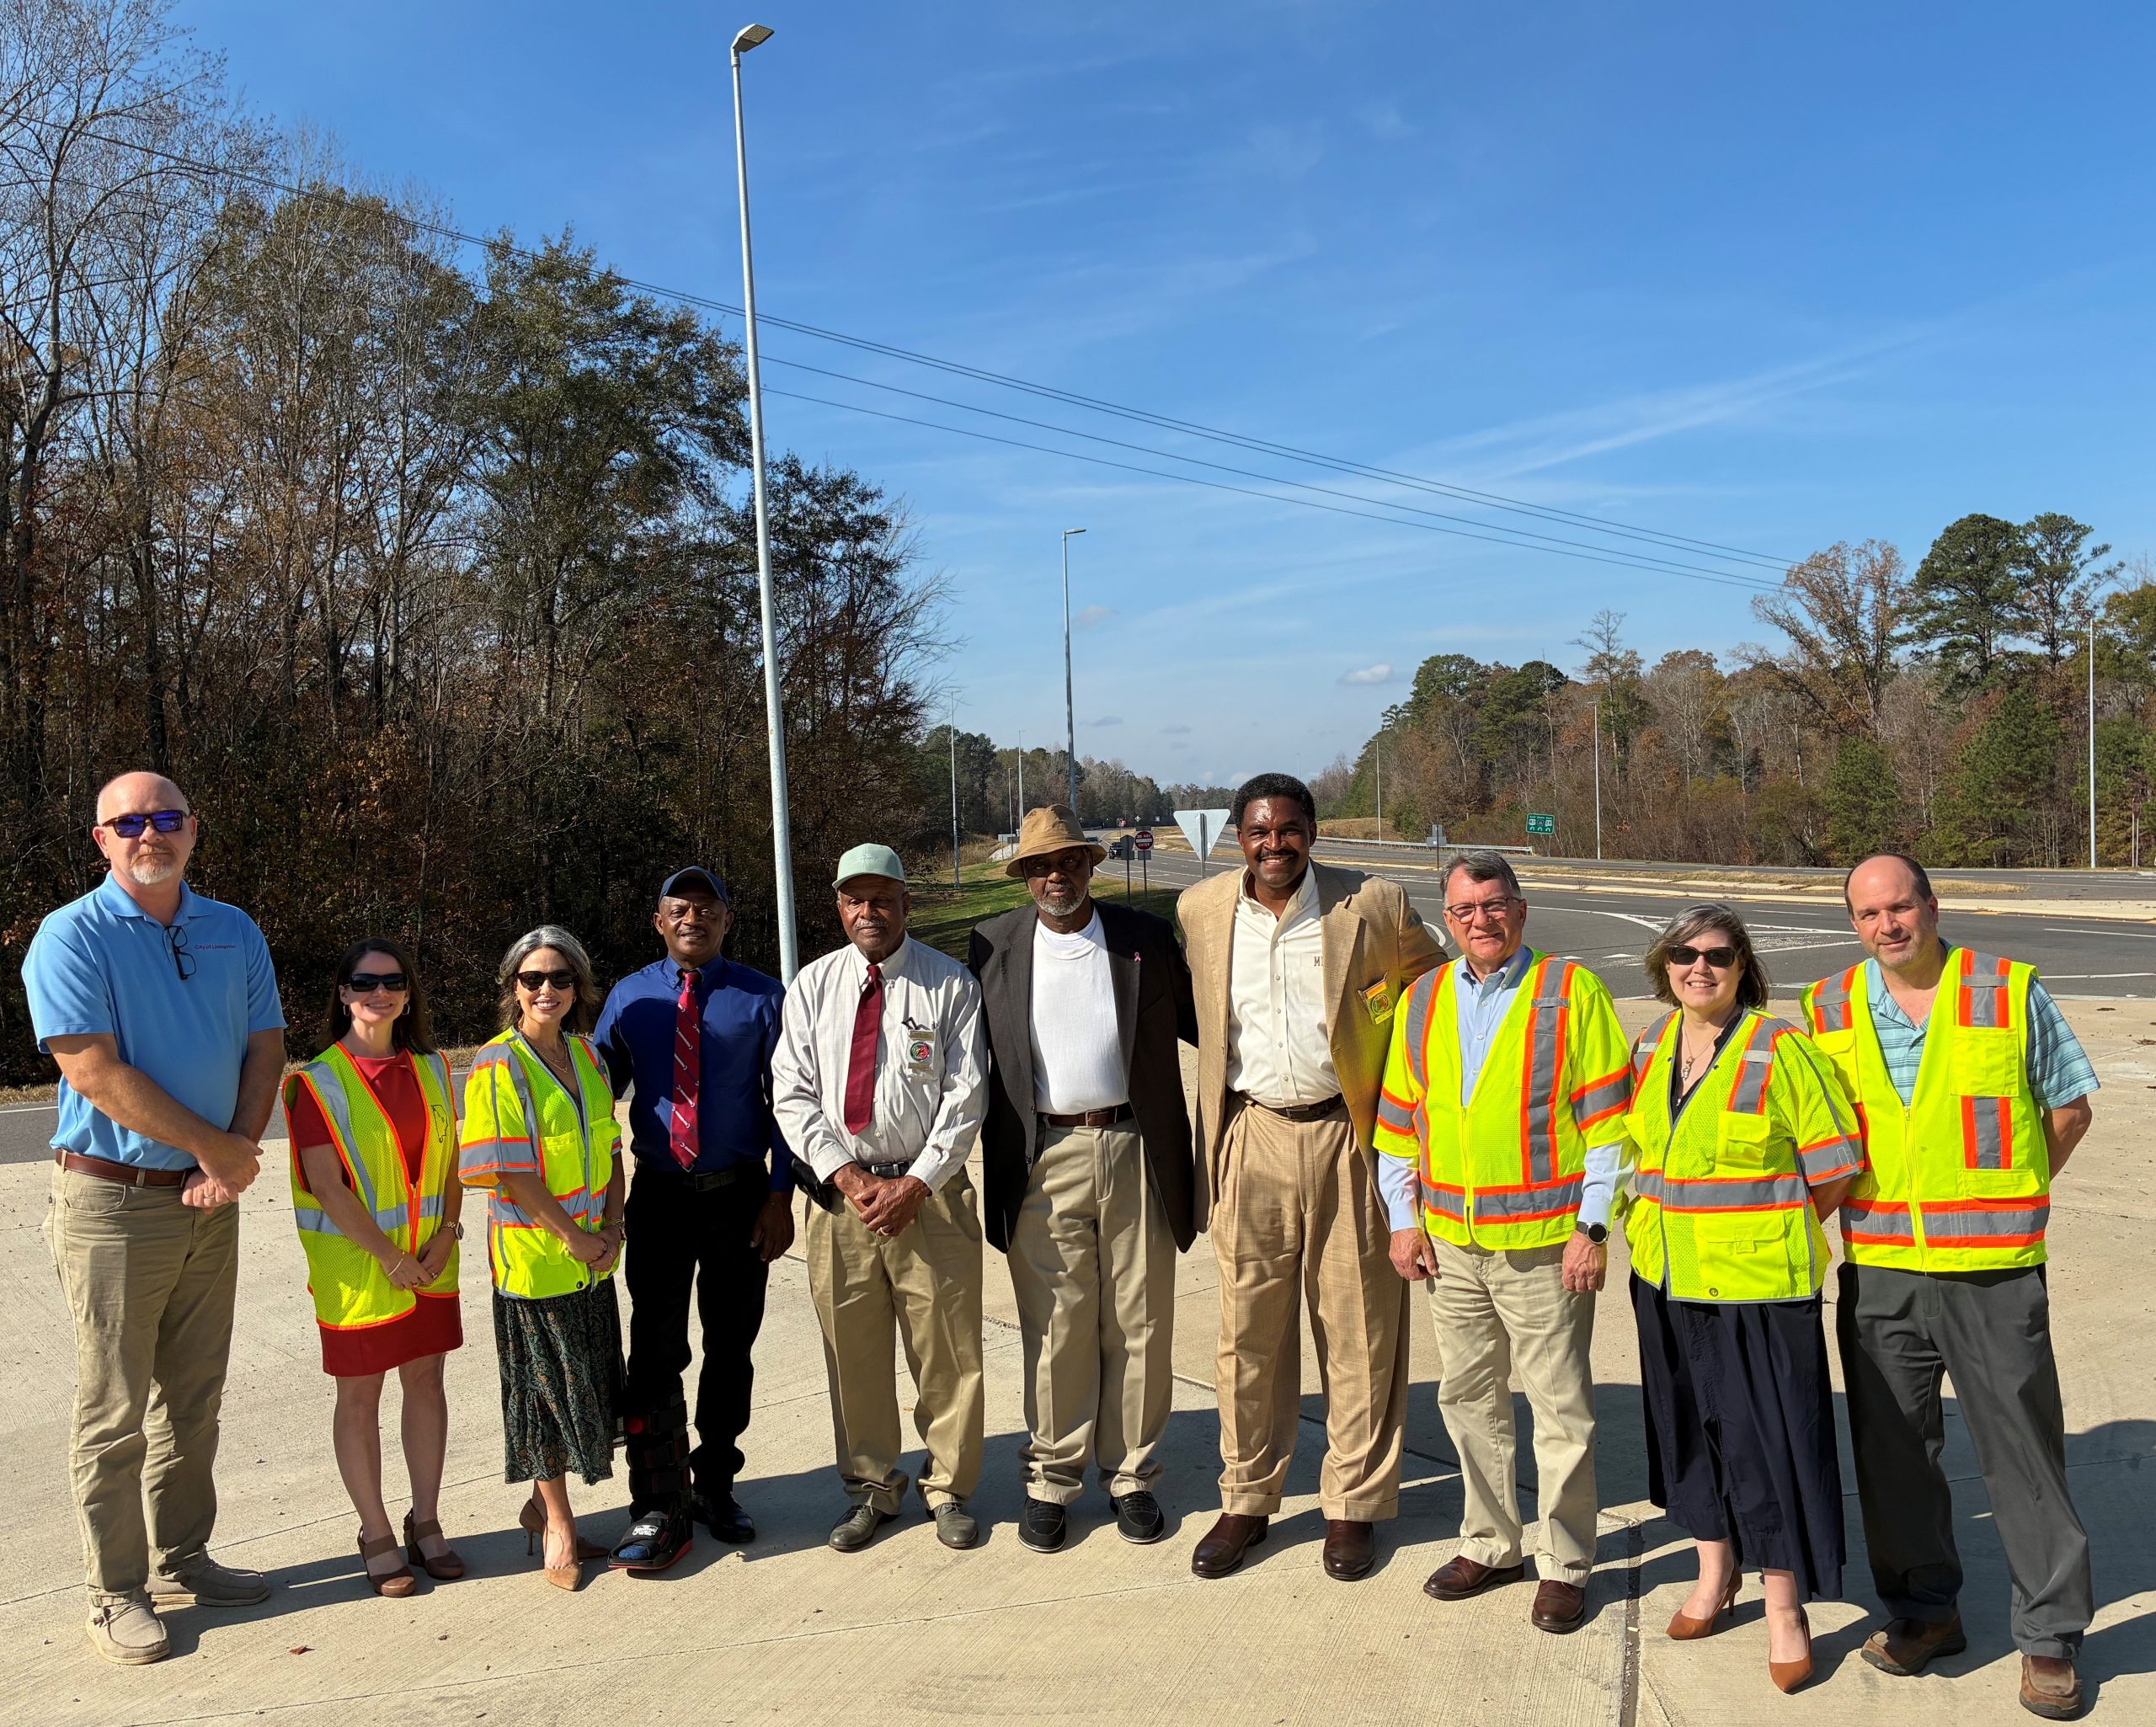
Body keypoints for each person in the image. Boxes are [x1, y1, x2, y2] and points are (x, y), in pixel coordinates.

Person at [1804, 853, 2098, 1722]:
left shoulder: (2005, 989)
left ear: (1930, 906)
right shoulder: (1823, 1008)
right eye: (1868, 912)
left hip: (1992, 1268)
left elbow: (2069, 1106)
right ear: (1853, 923)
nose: (1887, 923)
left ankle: (2047, 1636)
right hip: (1881, 1268)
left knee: (2023, 1455)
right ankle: (1925, 1610)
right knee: (1894, 1456)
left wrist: (2012, 1190)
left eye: (1900, 906)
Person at [24, 771, 284, 1665]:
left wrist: (236, 1153)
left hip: (213, 1197)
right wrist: (217, 1147)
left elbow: (265, 1045)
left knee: (195, 1398)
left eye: (165, 817)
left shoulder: (233, 930)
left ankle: (185, 1554)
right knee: (114, 1406)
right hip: (113, 1201)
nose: (150, 833)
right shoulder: (72, 934)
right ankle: (114, 1589)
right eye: (128, 821)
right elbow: (93, 1068)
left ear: (192, 829)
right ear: (100, 838)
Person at [1178, 773, 1444, 1582]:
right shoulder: (1201, 910)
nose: (1274, 845)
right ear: (1237, 836)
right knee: (1246, 1335)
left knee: (1361, 1329)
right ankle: (1248, 1497)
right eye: (1258, 831)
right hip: (1251, 1133)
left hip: (1346, 1136)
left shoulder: (1371, 906)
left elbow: (1436, 993)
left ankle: (1354, 1505)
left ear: (1313, 831)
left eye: (1288, 829)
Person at [1373, 849, 1632, 1634]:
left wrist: (1592, 1228)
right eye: (1463, 909)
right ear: (1445, 920)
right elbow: (1397, 1126)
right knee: (1469, 1399)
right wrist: (1402, 1219)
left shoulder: (1569, 991)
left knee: (1560, 1408)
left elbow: (1610, 1128)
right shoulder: (1422, 997)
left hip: (1546, 1246)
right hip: (1451, 1246)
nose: (1480, 920)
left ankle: (1564, 1561)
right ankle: (1490, 1543)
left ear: (1519, 909)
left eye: (1494, 905)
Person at [1620, 905, 1864, 1692]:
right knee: (1688, 1431)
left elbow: (1835, 1166)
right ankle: (1714, 1571)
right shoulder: (1653, 1045)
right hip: (1664, 1276)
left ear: (1742, 966)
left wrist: (1762, 1233)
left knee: (1771, 1445)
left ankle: (1785, 1605)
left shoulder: (1779, 1048)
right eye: (1685, 954)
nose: (1701, 967)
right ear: (1665, 965)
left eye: (1718, 955)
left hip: (1757, 1288)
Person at [968, 805, 1198, 1552]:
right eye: (1039, 866)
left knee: (1139, 1320)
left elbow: (1216, 1023)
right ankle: (1052, 1478)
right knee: (1057, 1325)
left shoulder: (1143, 940)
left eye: (1066, 861)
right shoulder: (992, 947)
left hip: (1135, 1146)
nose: (1054, 876)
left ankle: (1132, 1475)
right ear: (1025, 877)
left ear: (1090, 866)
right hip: (1043, 1152)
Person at [770, 844, 990, 1554]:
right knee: (853, 1353)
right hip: (843, 1204)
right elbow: (792, 1091)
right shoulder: (811, 986)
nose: (870, 911)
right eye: (855, 899)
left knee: (948, 1352)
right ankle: (871, 1487)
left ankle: (949, 1488)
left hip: (932, 1196)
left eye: (883, 898)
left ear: (905, 902)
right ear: (839, 906)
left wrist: (916, 1180)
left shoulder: (949, 984)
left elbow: (966, 1094)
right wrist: (846, 1175)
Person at [592, 866, 792, 1573]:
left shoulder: (763, 997)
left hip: (740, 1195)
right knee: (654, 1349)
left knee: (731, 1346)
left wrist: (779, 1195)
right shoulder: (629, 996)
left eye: (706, 910)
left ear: (727, 922)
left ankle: (716, 1483)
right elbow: (588, 1097)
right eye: (679, 908)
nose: (692, 919)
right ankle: (656, 1494)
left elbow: (790, 1106)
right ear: (658, 920)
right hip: (662, 1195)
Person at [283, 940, 466, 1596]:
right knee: (360, 1399)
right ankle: (375, 1530)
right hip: (362, 1272)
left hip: (430, 1263)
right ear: (342, 993)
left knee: (427, 1382)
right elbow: (328, 1186)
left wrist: (447, 1233)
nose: (377, 992)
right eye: (363, 982)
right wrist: (389, 1257)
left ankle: (428, 1518)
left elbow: (448, 1163)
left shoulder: (435, 1067)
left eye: (391, 982)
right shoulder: (315, 1082)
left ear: (408, 994)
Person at [458, 927, 626, 1591]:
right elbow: (511, 1171)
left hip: (591, 1262)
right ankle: (557, 1520)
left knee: (586, 1390)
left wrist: (613, 1222)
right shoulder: (498, 1064)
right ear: (513, 989)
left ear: (579, 987)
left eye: (560, 977)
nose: (547, 990)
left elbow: (611, 1149)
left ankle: (543, 1503)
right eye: (532, 979)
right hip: (535, 1264)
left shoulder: (589, 1056)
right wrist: (575, 1236)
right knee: (545, 1398)